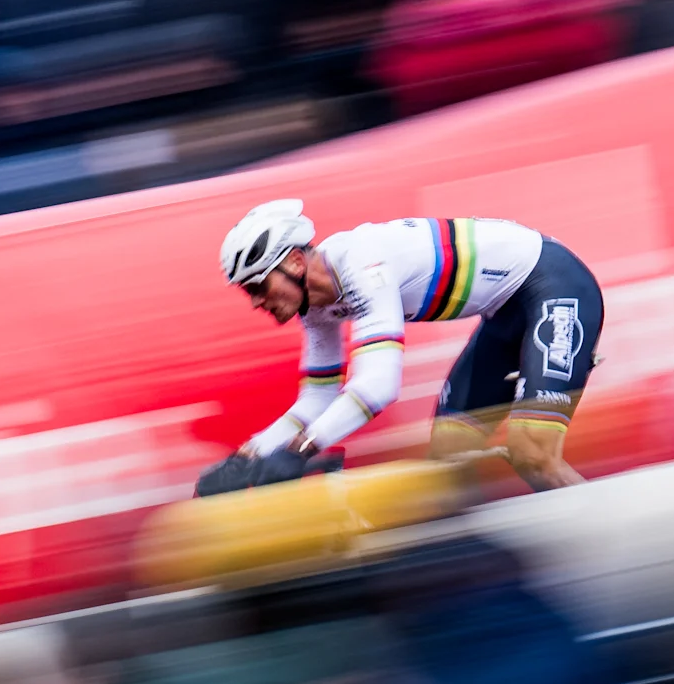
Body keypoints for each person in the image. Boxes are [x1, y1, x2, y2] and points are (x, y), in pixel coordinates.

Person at [207, 200, 602, 493]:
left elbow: (378, 385)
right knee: (450, 462)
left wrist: (300, 450)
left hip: (553, 285)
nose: (256, 302)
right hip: (504, 315)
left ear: (294, 262)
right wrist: (248, 456)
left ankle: (605, 539)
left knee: (533, 452)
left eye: (258, 286)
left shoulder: (361, 262)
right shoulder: (314, 309)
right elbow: (316, 400)